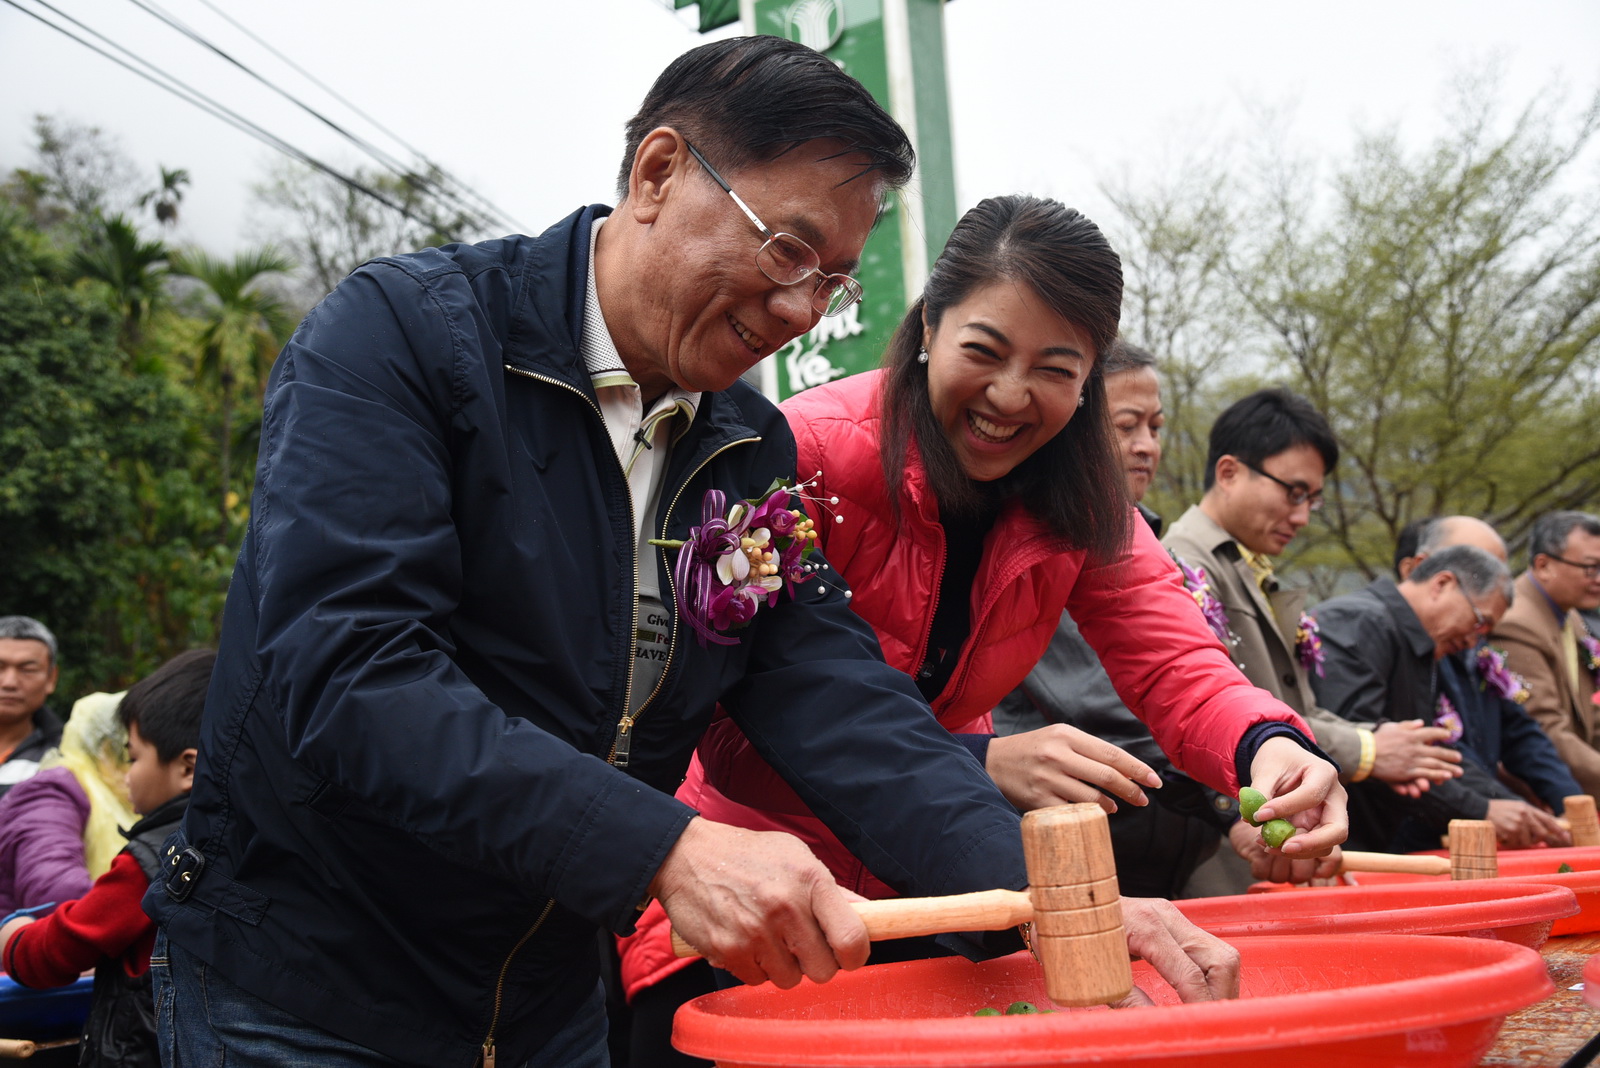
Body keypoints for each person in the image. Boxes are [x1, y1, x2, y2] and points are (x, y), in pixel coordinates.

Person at [142, 40, 1331, 1068]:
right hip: (312, 986)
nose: (803, 310)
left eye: (832, 280)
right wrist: (661, 844)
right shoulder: (402, 340)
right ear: (659, 172)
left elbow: (832, 695)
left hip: (552, 989)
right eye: (785, 252)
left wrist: (1055, 904)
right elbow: (351, 677)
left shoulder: (740, 442)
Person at [617, 194, 1348, 1064]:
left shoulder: (1085, 505)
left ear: (1088, 380)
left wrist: (1270, 749)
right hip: (760, 897)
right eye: (984, 351)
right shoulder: (804, 454)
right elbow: (744, 723)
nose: (1008, 396)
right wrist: (981, 761)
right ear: (929, 325)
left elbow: (1176, 661)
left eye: (1055, 368)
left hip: (961, 890)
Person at [1162, 390, 1460, 890]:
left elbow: (1289, 706)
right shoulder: (1175, 565)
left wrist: (1370, 747)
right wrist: (1366, 750)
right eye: (1293, 492)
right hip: (1220, 852)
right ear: (1229, 472)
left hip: (1274, 841)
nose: (1302, 516)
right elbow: (1194, 711)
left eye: (1311, 499)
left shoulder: (1244, 566)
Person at [992, 341, 1241, 897]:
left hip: (1159, 842)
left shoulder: (1143, 535)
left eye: (1155, 426)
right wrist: (1229, 796)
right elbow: (1110, 703)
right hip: (1078, 840)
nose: (1147, 446)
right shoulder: (1047, 537)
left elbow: (1189, 668)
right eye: (1127, 426)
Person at [0, 649, 209, 1068]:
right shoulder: (256, 832)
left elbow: (60, 943)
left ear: (188, 768)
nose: (125, 774)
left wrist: (16, 935)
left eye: (132, 758)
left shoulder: (158, 854)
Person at [1312, 545, 1569, 851]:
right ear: (1442, 584)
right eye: (1478, 622)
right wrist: (1482, 810)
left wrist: (1509, 806)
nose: (1473, 641)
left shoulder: (1424, 643)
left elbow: (1430, 753)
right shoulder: (1357, 621)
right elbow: (1366, 755)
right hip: (1336, 841)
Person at [1399, 517, 1582, 827]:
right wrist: (1499, 806)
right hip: (1422, 826)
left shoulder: (1475, 641)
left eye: (1497, 569)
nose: (1492, 580)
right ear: (1423, 569)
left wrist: (1567, 802)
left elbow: (1522, 734)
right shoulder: (1401, 642)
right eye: (1477, 567)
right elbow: (1432, 748)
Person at [1492, 511, 1600, 796]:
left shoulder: (1571, 615)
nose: (1599, 579)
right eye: (1591, 568)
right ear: (1543, 565)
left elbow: (1591, 716)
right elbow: (1544, 731)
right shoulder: (1517, 622)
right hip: (1536, 795)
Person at [0, 690, 134, 914]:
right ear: (106, 749)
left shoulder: (127, 797)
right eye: (132, 754)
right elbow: (52, 891)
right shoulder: (51, 792)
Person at [0, 615, 64, 797]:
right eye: (0, 667)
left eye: (27, 669)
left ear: (52, 678)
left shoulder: (66, 756)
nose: (9, 683)